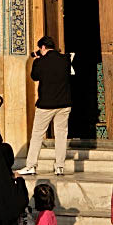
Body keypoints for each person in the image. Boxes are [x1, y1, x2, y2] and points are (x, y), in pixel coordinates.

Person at [17, 36, 71, 176]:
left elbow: (34, 77)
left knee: (37, 135)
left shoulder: (40, 62)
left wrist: (36, 61)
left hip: (46, 105)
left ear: (42, 47)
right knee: (61, 135)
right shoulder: (65, 59)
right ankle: (59, 166)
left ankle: (31, 165)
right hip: (64, 103)